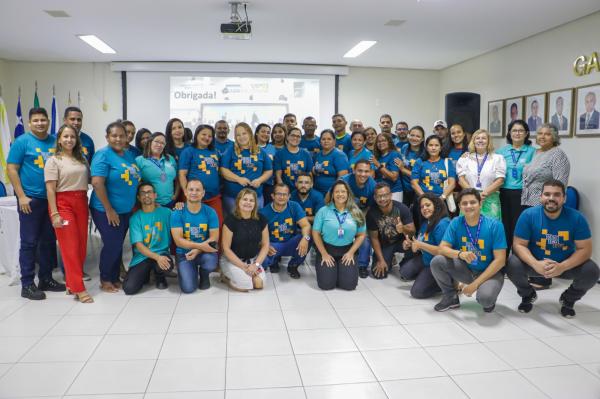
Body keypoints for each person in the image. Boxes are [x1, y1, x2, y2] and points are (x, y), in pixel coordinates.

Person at [507, 180, 599, 318]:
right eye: (547, 194)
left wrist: (562, 266)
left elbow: (585, 250)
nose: (551, 198)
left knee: (592, 271)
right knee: (512, 263)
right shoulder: (528, 215)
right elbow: (519, 245)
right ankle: (528, 295)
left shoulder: (577, 218)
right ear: (541, 197)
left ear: (564, 198)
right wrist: (535, 264)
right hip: (536, 264)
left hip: (565, 265)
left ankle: (568, 299)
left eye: (556, 195)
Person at [7, 108, 64, 300]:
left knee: (48, 241)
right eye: (36, 120)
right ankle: (27, 284)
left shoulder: (55, 141)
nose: (40, 123)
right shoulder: (22, 142)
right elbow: (12, 169)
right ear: (30, 123)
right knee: (29, 242)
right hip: (30, 199)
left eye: (43, 120)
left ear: (48, 122)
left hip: (52, 199)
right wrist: (21, 196)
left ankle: (46, 278)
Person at [430, 188, 507, 313]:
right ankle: (451, 297)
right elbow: (441, 249)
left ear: (480, 204)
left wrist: (474, 285)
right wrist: (460, 254)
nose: (468, 206)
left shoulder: (495, 225)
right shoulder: (456, 222)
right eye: (464, 203)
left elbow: (500, 261)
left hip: (489, 273)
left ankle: (486, 294)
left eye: (473, 202)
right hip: (467, 269)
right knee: (437, 261)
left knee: (486, 300)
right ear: (459, 206)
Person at [90, 121, 141, 293]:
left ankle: (113, 277)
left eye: (122, 135)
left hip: (125, 210)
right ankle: (105, 279)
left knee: (118, 244)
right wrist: (109, 210)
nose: (118, 139)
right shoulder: (102, 155)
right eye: (114, 135)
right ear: (107, 137)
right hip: (106, 210)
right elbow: (97, 183)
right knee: (112, 244)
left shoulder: (128, 155)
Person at [44, 125, 91, 302]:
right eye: (65, 136)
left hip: (81, 202)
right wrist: (55, 214)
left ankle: (71, 284)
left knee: (81, 247)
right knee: (69, 247)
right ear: (59, 139)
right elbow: (50, 190)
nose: (69, 140)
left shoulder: (81, 159)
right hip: (62, 205)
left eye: (72, 137)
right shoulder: (53, 160)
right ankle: (79, 288)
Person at [522, 123, 571, 289]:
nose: (542, 137)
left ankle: (544, 278)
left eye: (547, 134)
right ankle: (534, 272)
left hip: (544, 205)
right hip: (529, 203)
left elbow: (560, 183)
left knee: (542, 241)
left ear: (555, 137)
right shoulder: (537, 152)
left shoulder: (558, 155)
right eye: (540, 133)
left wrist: (550, 202)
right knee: (532, 240)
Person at [312, 180, 366, 290]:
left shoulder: (356, 212)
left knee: (349, 286)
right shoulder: (323, 211)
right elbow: (316, 233)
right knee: (326, 285)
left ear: (348, 194)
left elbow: (361, 235)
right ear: (332, 194)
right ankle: (333, 272)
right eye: (337, 192)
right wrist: (323, 253)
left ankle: (339, 272)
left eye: (343, 191)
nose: (340, 194)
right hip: (327, 249)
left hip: (347, 250)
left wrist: (351, 253)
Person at [123, 183, 173, 295]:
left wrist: (180, 206)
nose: (146, 195)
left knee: (165, 266)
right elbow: (139, 245)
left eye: (149, 192)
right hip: (142, 256)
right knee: (129, 289)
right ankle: (146, 274)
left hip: (162, 252)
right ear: (139, 197)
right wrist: (157, 258)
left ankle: (160, 277)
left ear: (155, 195)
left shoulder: (167, 213)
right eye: (143, 193)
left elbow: (181, 220)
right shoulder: (135, 218)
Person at [170, 179, 219, 293]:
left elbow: (214, 239)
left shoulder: (210, 212)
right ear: (185, 192)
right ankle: (189, 271)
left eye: (198, 190)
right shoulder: (177, 213)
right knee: (188, 289)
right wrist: (201, 246)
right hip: (184, 253)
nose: (194, 192)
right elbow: (178, 241)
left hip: (203, 252)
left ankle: (204, 274)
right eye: (191, 189)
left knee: (211, 261)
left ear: (203, 193)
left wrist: (198, 250)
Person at [497, 120, 535, 253]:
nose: (517, 133)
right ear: (509, 133)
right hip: (503, 193)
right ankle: (504, 260)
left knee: (519, 228)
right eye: (514, 130)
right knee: (505, 227)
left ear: (526, 133)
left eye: (521, 130)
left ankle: (518, 261)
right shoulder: (501, 151)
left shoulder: (533, 152)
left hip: (523, 194)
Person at [401, 193, 449, 298]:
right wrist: (410, 244)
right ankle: (427, 277)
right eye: (422, 207)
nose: (424, 209)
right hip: (426, 258)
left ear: (436, 205)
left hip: (438, 264)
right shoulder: (425, 222)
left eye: (428, 205)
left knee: (417, 292)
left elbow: (443, 251)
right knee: (404, 272)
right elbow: (419, 243)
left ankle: (446, 283)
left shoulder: (442, 224)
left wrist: (420, 245)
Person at [221, 188, 269, 291]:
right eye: (245, 199)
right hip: (233, 260)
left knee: (259, 284)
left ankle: (248, 275)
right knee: (245, 286)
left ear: (255, 204)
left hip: (253, 260)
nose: (248, 202)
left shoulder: (261, 219)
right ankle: (225, 277)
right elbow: (226, 249)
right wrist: (243, 267)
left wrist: (255, 265)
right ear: (238, 201)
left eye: (251, 200)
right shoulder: (230, 220)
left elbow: (265, 245)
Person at [220, 122, 273, 215]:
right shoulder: (230, 150)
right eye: (238, 135)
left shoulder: (260, 151)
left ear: (250, 133)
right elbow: (223, 170)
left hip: (256, 197)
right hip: (233, 198)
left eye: (244, 133)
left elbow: (269, 170)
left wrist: (260, 180)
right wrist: (238, 179)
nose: (241, 137)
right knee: (233, 226)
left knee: (256, 225)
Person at [260, 183, 311, 278]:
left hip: (290, 243)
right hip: (273, 245)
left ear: (289, 196)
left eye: (285, 194)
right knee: (261, 262)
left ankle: (293, 265)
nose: (282, 197)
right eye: (279, 194)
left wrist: (305, 238)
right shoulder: (263, 212)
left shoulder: (294, 206)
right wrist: (265, 245)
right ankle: (273, 262)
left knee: (308, 238)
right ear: (273, 196)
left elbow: (306, 225)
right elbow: (258, 235)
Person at [367, 182, 415, 280]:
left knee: (413, 245)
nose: (382, 199)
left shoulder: (402, 208)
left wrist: (403, 229)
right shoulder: (372, 212)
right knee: (378, 274)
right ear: (375, 197)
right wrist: (381, 260)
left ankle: (405, 264)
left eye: (385, 195)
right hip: (385, 244)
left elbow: (413, 232)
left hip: (402, 242)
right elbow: (374, 238)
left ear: (391, 195)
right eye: (379, 196)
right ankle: (389, 258)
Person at [456, 129, 506, 220]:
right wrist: (474, 194)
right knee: (467, 228)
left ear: (488, 141)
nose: (480, 140)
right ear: (473, 141)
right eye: (477, 138)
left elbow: (500, 180)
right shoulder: (465, 158)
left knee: (490, 229)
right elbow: (461, 179)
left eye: (484, 138)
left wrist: (483, 194)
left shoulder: (497, 158)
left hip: (490, 199)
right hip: (469, 199)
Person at [178, 125, 222, 222]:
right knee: (196, 225)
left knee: (217, 223)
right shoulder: (188, 151)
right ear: (197, 135)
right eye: (204, 134)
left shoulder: (215, 152)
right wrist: (187, 193)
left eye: (210, 136)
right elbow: (182, 174)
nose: (207, 138)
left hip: (213, 197)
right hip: (194, 197)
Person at [341, 160, 377, 278]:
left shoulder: (372, 186)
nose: (363, 174)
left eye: (366, 171)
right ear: (354, 170)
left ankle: (362, 265)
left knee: (364, 235)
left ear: (370, 172)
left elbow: (370, 208)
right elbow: (334, 202)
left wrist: (361, 221)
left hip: (362, 213)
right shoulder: (343, 181)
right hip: (342, 211)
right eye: (360, 171)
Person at [411, 135, 456, 218]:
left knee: (442, 226)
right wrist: (424, 198)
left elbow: (452, 183)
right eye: (431, 145)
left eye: (436, 145)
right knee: (424, 228)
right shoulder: (419, 162)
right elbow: (414, 183)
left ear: (441, 147)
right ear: (426, 147)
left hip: (442, 201)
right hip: (423, 202)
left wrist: (441, 198)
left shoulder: (447, 162)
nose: (433, 148)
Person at [136, 132, 178, 208]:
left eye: (162, 143)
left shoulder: (170, 158)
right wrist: (148, 200)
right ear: (150, 142)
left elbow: (177, 179)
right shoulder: (140, 160)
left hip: (170, 202)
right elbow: (136, 183)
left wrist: (176, 195)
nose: (159, 145)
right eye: (156, 141)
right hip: (151, 204)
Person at [312, 129, 350, 196]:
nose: (326, 141)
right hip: (317, 192)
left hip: (332, 193)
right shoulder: (317, 155)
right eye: (323, 139)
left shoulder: (339, 155)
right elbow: (314, 171)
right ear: (320, 141)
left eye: (329, 139)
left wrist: (332, 192)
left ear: (334, 141)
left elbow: (342, 178)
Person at [397, 125, 425, 208]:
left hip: (417, 189)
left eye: (418, 136)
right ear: (408, 135)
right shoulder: (404, 147)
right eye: (412, 135)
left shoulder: (425, 154)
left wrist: (402, 169)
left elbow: (420, 175)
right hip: (404, 188)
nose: (414, 138)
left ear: (422, 139)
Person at [372, 133, 403, 202]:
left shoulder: (394, 154)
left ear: (389, 142)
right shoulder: (377, 157)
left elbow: (394, 177)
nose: (381, 143)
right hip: (380, 192)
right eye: (378, 142)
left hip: (394, 191)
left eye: (384, 141)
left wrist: (378, 165)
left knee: (394, 212)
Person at [254, 123, 276, 204]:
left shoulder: (272, 148)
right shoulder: (250, 147)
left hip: (269, 184)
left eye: (268, 132)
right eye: (263, 131)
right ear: (257, 133)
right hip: (254, 183)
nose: (265, 134)